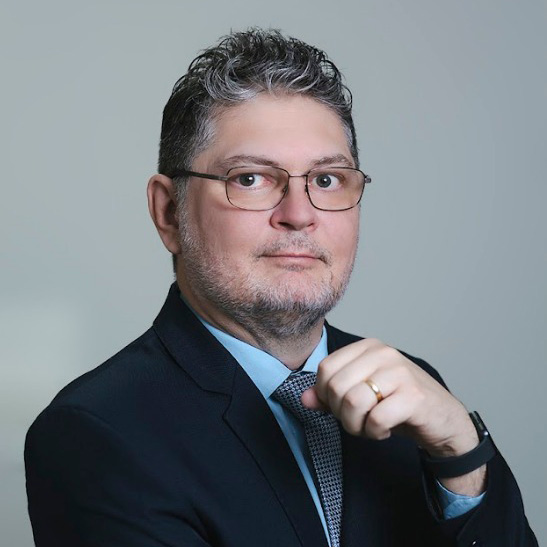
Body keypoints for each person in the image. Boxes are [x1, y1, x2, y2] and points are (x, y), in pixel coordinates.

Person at [25, 29, 537, 546]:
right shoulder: (97, 432)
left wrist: (461, 455)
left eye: (327, 180)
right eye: (250, 179)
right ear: (169, 213)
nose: (299, 214)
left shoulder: (414, 395)